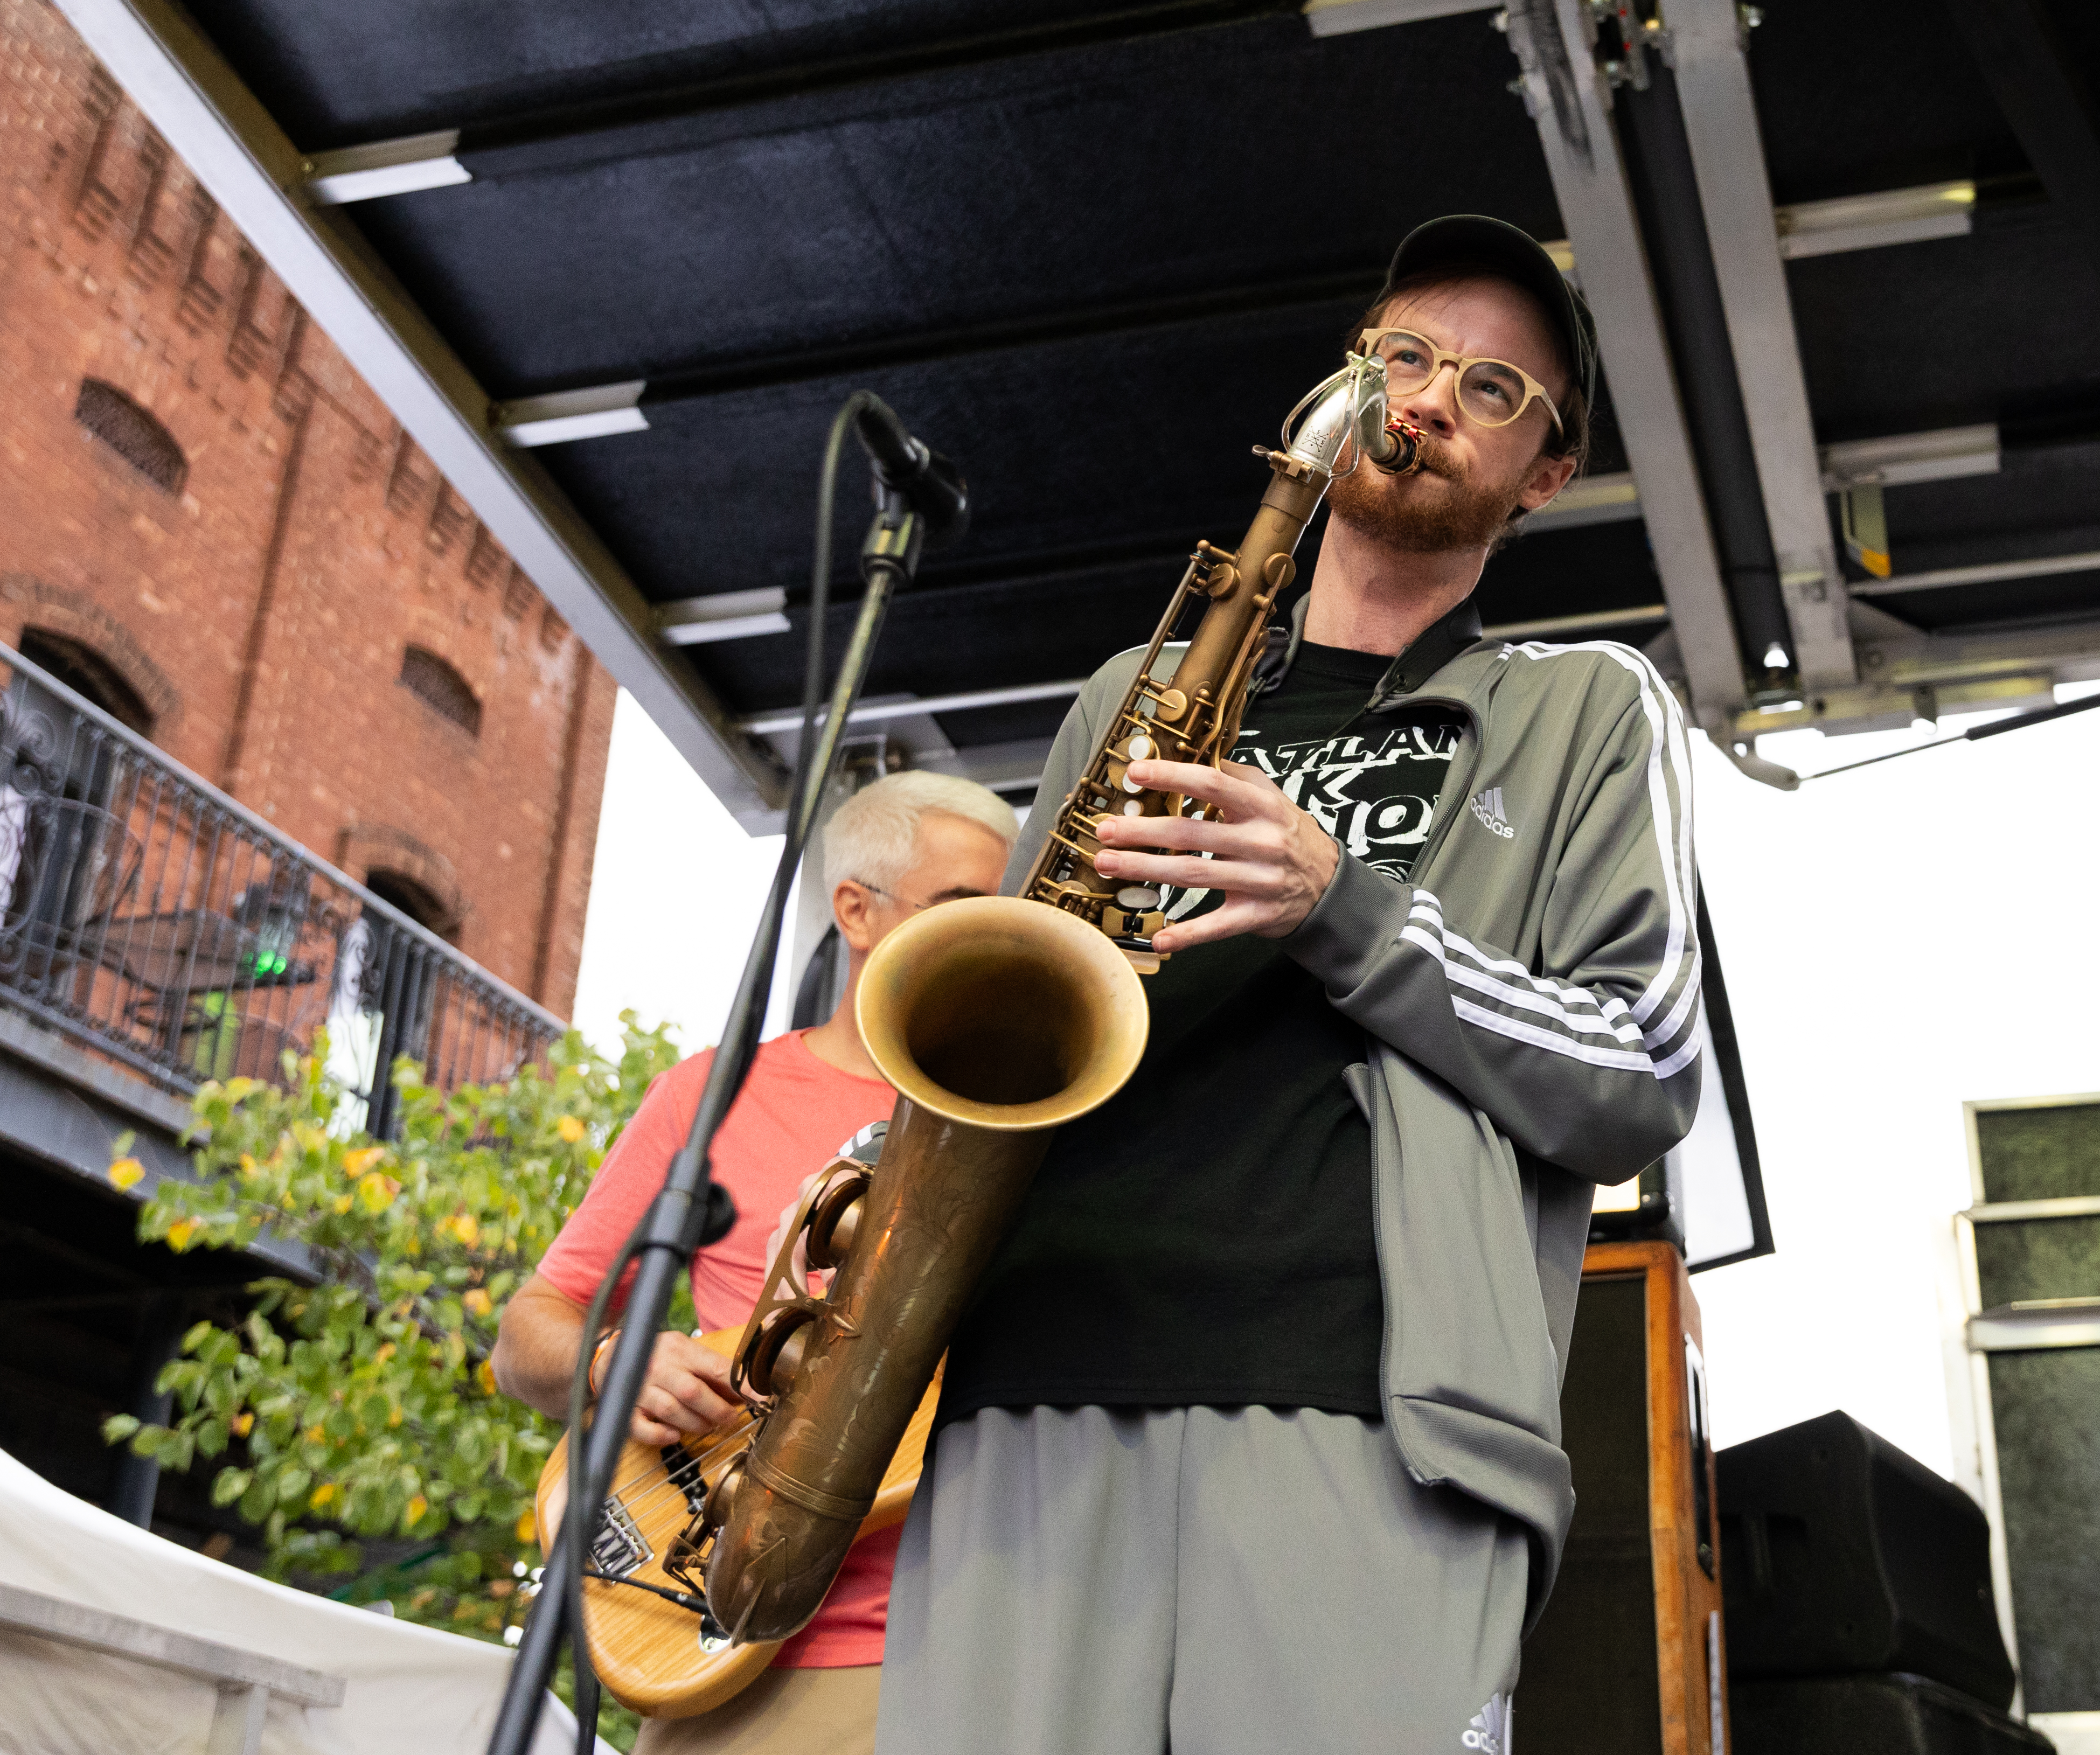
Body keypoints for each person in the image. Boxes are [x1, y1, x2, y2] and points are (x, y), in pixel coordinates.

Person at [877, 215, 1704, 1755]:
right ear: (1345, 380)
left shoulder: (1592, 708)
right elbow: (990, 1016)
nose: (1431, 393)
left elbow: (1643, 1068)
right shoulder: (1135, 693)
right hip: (1029, 1390)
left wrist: (1347, 908)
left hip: (1367, 1413)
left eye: (1496, 386)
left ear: (1545, 473)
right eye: (1404, 352)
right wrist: (865, 1207)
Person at [491, 769, 1017, 1755]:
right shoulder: (712, 1097)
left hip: (998, 1638)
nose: (995, 936)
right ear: (856, 911)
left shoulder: (1043, 1114)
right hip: (762, 1645)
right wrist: (614, 1363)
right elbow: (526, 1334)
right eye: (961, 907)